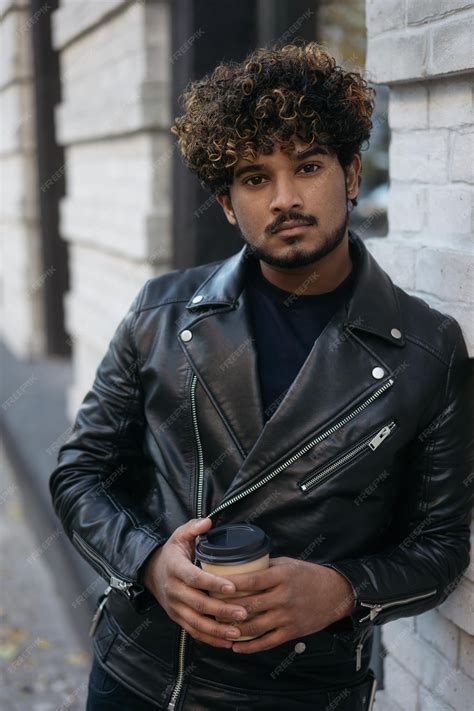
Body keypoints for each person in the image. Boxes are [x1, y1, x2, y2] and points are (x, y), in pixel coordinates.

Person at [49, 41, 472, 711]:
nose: (285, 198)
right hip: (142, 674)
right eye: (254, 178)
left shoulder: (426, 350)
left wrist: (343, 588)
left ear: (352, 173)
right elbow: (80, 474)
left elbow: (442, 547)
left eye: (307, 166)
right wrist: (149, 562)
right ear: (225, 203)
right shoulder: (160, 312)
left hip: (303, 693)